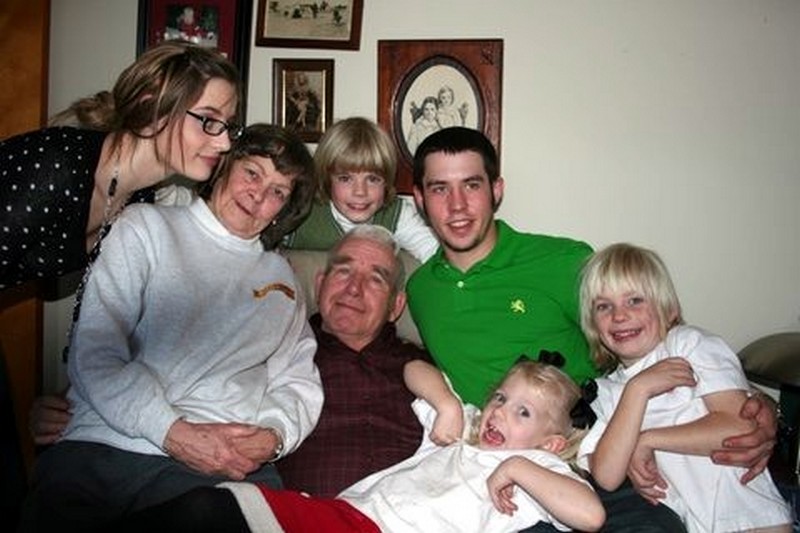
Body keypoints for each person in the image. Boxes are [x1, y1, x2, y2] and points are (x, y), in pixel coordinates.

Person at [406, 126, 779, 532]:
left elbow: (651, 337)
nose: (457, 205)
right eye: (440, 189)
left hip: (597, 460)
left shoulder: (563, 261)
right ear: (420, 199)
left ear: (497, 190)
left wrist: (757, 405)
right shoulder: (421, 291)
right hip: (496, 473)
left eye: (472, 185)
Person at [18, 124, 323, 533]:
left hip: (226, 466)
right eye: (252, 172)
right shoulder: (144, 227)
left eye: (278, 192)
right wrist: (174, 433)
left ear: (283, 211)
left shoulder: (282, 278)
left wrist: (274, 435)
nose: (258, 194)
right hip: (111, 447)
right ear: (224, 166)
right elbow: (96, 352)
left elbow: (298, 379)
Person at [30, 223, 437, 501]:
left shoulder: (425, 365)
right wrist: (76, 403)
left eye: (376, 279)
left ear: (396, 306)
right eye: (343, 271)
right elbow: (171, 368)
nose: (354, 288)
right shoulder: (273, 344)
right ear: (319, 284)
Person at [115, 358, 606, 533]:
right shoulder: (464, 432)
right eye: (501, 398)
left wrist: (516, 468)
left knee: (213, 509)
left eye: (523, 413)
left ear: (551, 442)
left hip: (381, 529)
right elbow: (414, 370)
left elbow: (591, 515)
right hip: (349, 515)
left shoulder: (537, 469)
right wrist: (448, 405)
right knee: (214, 509)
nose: (499, 412)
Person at [576, 243, 792, 532]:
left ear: (669, 310)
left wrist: (647, 440)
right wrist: (637, 390)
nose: (619, 315)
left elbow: (739, 428)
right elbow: (607, 477)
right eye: (604, 306)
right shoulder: (605, 390)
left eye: (635, 300)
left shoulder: (687, 345)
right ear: (592, 324)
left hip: (751, 518)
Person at [0, 39, 242, 291]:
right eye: (207, 119)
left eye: (229, 125)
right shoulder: (58, 166)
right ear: (151, 106)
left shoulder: (138, 198)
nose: (224, 143)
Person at [283, 117, 438, 262]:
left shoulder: (395, 214)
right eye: (345, 178)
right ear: (327, 179)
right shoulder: (302, 213)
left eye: (373, 179)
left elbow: (433, 251)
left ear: (387, 182)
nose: (360, 192)